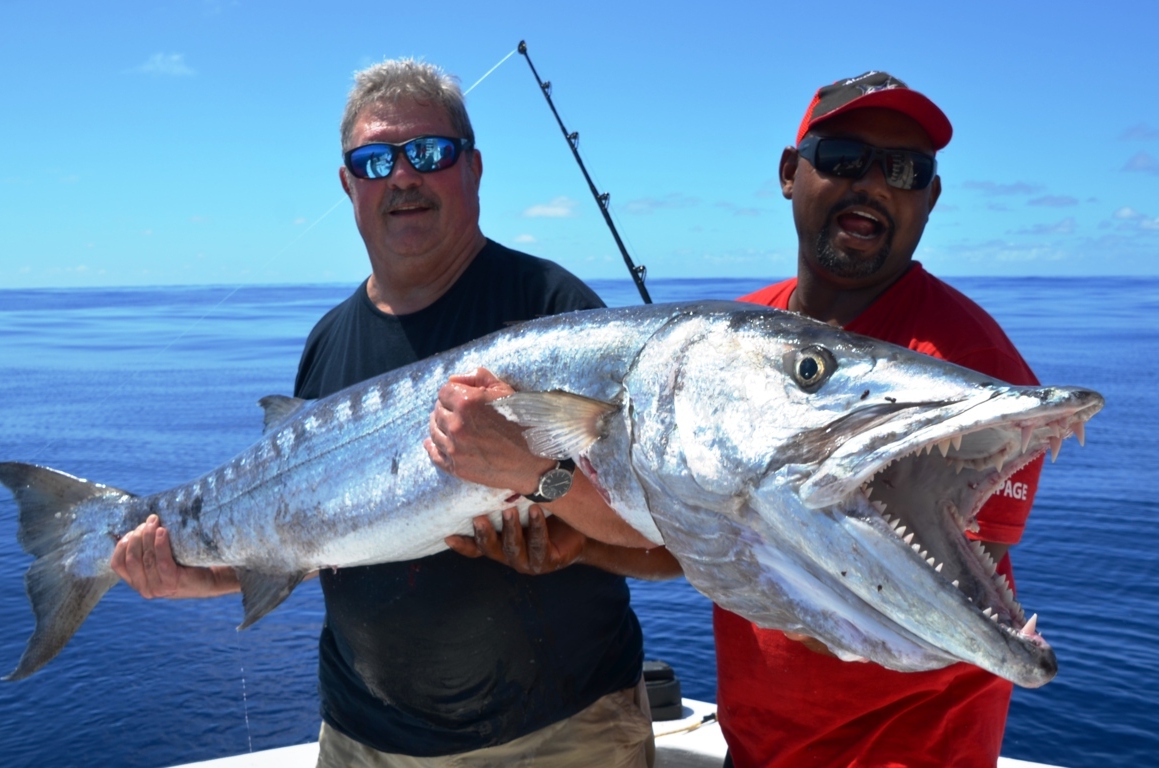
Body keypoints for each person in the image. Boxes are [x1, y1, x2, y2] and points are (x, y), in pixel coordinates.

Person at [110, 58, 679, 767]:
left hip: (559, 734)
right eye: (375, 160)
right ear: (348, 185)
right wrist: (201, 574)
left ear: (472, 170)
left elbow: (667, 540)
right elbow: (322, 538)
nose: (402, 175)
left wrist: (540, 476)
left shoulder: (554, 315)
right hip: (362, 740)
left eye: (430, 153)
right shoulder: (329, 340)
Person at [713, 71, 1048, 768]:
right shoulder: (733, 339)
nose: (872, 183)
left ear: (930, 197)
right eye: (841, 158)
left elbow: (913, 601)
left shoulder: (975, 374)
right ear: (788, 173)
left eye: (903, 169)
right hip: (758, 749)